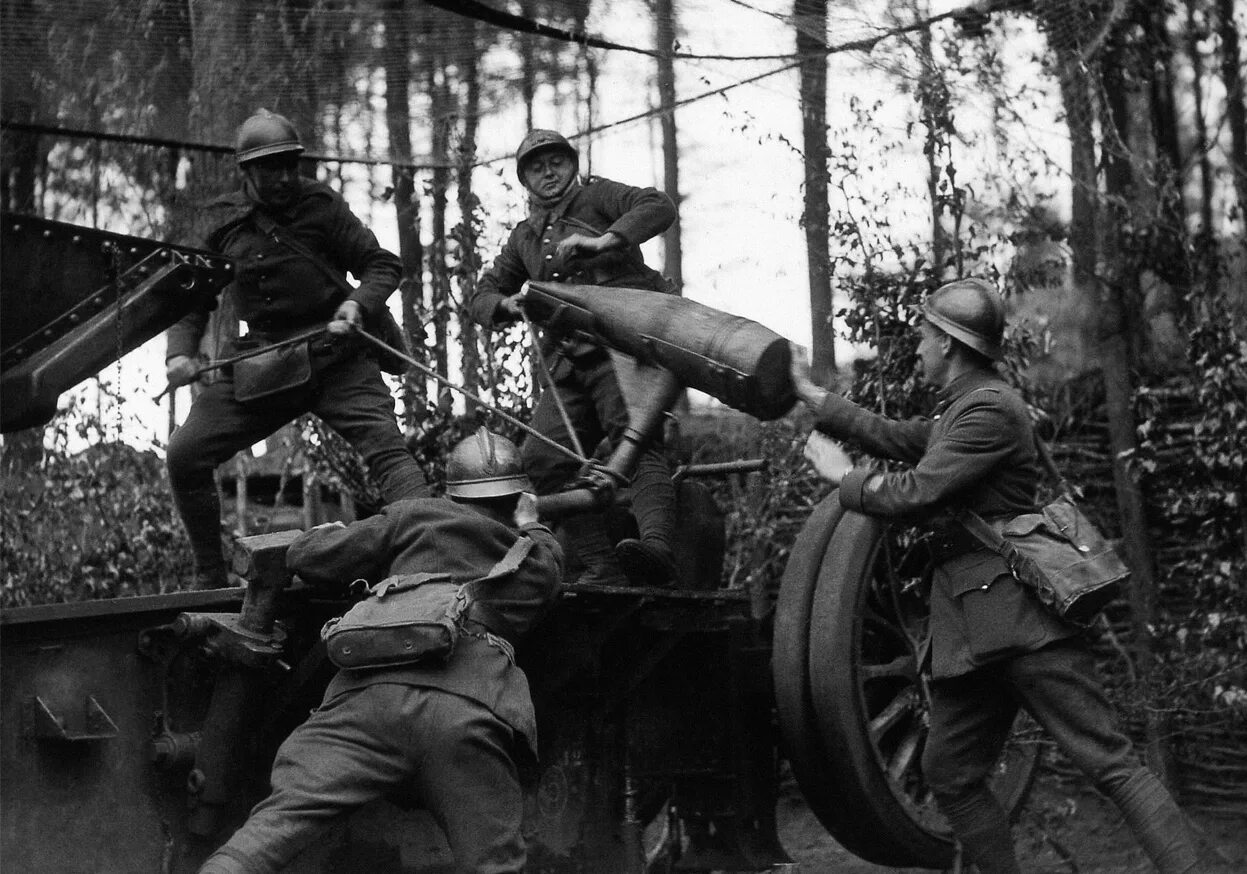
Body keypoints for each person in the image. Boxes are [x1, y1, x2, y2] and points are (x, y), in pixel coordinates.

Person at [789, 278, 1199, 874]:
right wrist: (812, 396)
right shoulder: (960, 411)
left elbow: (919, 491)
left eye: (925, 338)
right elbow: (891, 435)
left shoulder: (991, 408)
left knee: (1109, 763)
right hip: (972, 632)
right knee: (949, 771)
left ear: (950, 344)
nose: (919, 349)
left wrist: (844, 479)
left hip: (1022, 619)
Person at [198, 428, 564, 874]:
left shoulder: (414, 516)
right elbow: (549, 569)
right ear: (517, 497)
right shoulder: (527, 554)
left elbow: (309, 555)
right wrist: (533, 523)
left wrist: (326, 536)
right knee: (493, 865)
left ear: (451, 493)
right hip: (465, 713)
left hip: (363, 706)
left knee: (267, 835)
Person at [165, 109, 426, 588]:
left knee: (389, 453)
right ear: (246, 172)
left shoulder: (322, 206)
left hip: (338, 357)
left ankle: (431, 559)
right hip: (262, 363)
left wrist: (356, 305)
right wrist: (178, 355)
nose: (285, 177)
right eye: (271, 168)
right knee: (185, 454)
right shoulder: (222, 223)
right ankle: (209, 576)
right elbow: (192, 298)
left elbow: (381, 265)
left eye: (290, 164)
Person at [466, 129, 678, 586]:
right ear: (524, 179)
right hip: (567, 364)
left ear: (572, 164)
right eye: (536, 167)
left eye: (556, 162)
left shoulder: (598, 197)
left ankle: (657, 550)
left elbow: (658, 206)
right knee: (541, 462)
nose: (549, 173)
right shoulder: (526, 237)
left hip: (621, 350)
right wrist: (506, 304)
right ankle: (602, 567)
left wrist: (606, 241)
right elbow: (481, 296)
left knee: (635, 440)